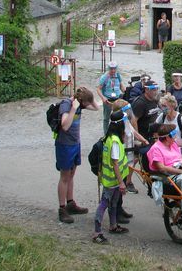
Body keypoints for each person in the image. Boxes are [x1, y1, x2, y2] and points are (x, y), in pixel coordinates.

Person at [55, 87, 98, 224]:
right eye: (85, 103)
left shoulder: (80, 104)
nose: (86, 106)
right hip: (65, 145)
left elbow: (96, 108)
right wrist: (73, 108)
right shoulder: (67, 105)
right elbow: (65, 126)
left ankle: (70, 203)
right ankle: (62, 209)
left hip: (75, 144)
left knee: (71, 174)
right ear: (80, 101)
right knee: (64, 177)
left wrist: (90, 97)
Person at [92, 110, 129, 244]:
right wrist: (121, 183)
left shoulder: (110, 137)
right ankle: (97, 232)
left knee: (113, 203)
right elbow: (114, 162)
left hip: (112, 180)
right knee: (104, 204)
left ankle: (113, 225)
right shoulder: (114, 141)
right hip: (112, 180)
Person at [111, 99, 149, 197]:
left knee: (127, 172)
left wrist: (143, 140)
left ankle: (119, 205)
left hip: (128, 152)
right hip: (121, 155)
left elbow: (133, 132)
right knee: (117, 185)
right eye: (127, 110)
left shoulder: (125, 120)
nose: (129, 112)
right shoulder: (116, 124)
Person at [96, 62, 125, 134]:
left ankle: (117, 132)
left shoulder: (118, 75)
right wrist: (103, 98)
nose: (113, 71)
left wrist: (125, 92)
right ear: (108, 69)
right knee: (106, 118)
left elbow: (121, 86)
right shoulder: (104, 77)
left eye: (114, 69)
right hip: (108, 100)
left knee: (119, 116)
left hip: (117, 99)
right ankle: (106, 134)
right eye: (111, 69)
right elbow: (98, 89)